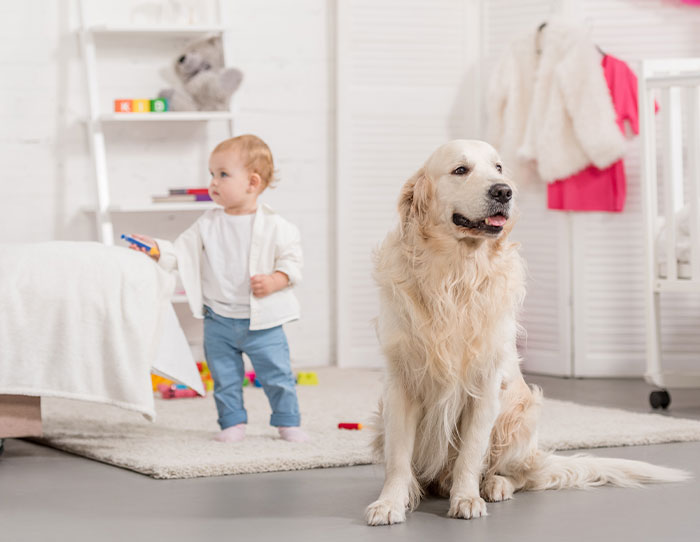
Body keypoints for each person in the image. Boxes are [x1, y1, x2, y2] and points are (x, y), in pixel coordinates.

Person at [129, 134, 307, 443]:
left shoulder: (277, 226)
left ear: (252, 183)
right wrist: (159, 250)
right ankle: (232, 422)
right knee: (224, 378)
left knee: (277, 375)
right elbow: (181, 251)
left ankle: (287, 421)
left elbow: (293, 261)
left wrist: (276, 279)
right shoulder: (207, 223)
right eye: (212, 174)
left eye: (222, 174)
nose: (213, 182)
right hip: (219, 320)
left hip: (263, 322)